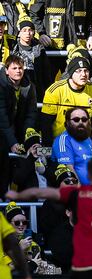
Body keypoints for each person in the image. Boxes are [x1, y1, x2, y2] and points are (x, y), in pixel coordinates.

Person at [40, 57, 92, 147]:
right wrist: (49, 147)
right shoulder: (55, 90)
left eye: (86, 71)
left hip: (84, 144)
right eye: (78, 71)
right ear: (71, 73)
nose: (83, 74)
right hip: (60, 143)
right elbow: (46, 123)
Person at [0, 54, 37, 197]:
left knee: (33, 147)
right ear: (6, 70)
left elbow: (31, 114)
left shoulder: (29, 86)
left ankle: (28, 204)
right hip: (3, 133)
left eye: (20, 68)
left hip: (19, 131)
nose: (18, 71)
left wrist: (27, 136)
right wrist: (13, 143)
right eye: (14, 68)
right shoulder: (1, 85)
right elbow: (2, 119)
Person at [50, 107, 92, 185]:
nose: (81, 122)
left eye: (84, 119)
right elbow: (69, 170)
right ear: (67, 122)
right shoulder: (63, 140)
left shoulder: (87, 138)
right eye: (76, 120)